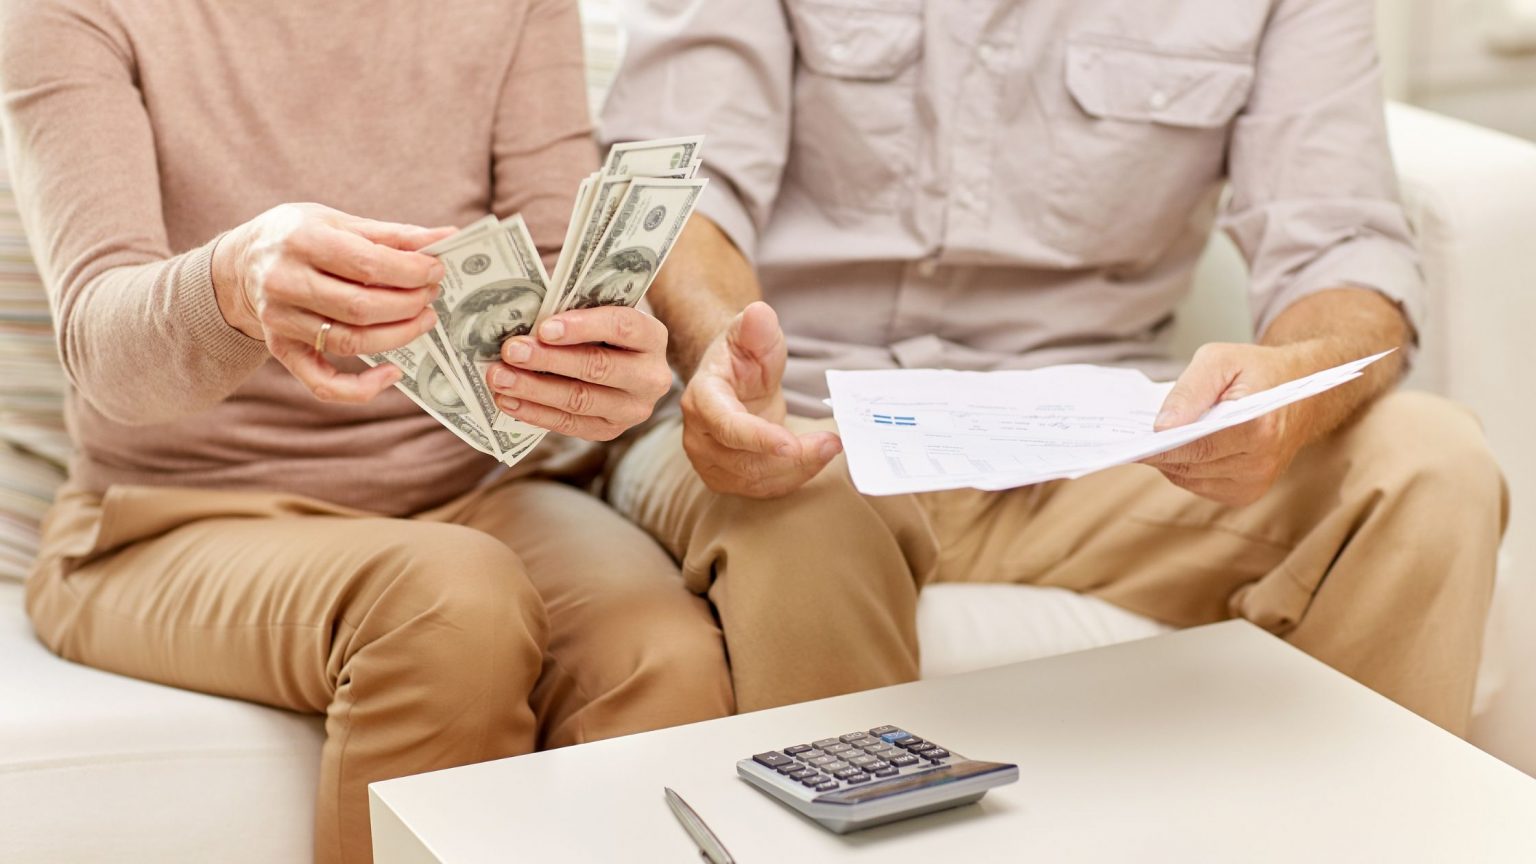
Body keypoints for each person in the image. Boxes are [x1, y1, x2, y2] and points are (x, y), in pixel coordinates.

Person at [596, 0, 1508, 735]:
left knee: (1430, 461)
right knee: (809, 506)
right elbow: (680, 189)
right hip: (797, 420)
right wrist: (728, 351)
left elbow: (1343, 247)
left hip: (1106, 453)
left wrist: (1288, 385)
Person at [0, 2, 732, 862]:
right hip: (166, 518)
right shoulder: (70, 12)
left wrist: (601, 366)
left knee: (666, 658)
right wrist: (232, 282)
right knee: (450, 605)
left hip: (467, 495)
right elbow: (101, 346)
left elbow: (554, 270)